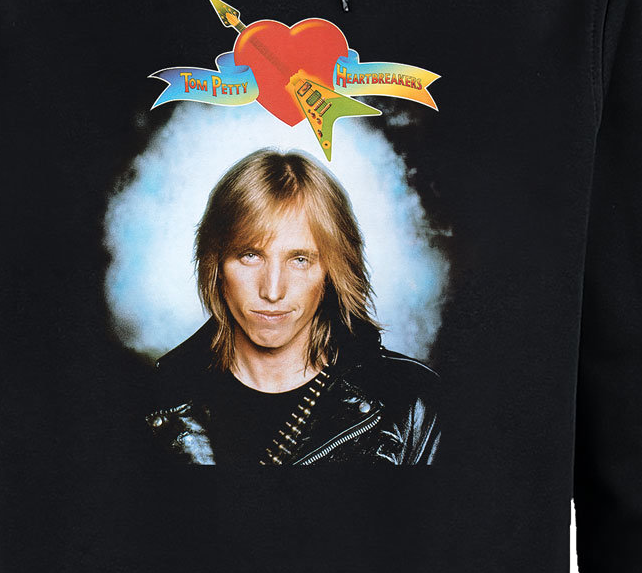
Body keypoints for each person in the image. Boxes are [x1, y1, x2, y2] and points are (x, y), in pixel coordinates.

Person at [144, 147, 442, 464]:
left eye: (300, 260)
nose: (272, 291)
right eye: (250, 256)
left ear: (332, 272)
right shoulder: (155, 402)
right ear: (216, 265)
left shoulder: (411, 404)